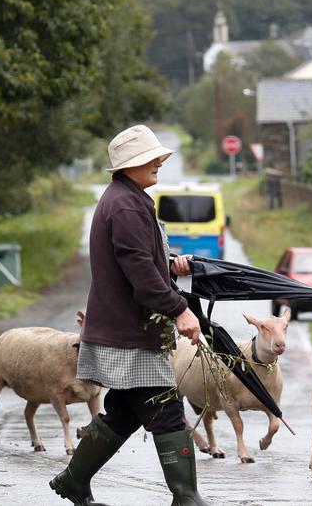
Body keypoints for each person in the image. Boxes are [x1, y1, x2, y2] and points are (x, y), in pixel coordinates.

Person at [50, 125, 209, 506]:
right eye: (149, 159)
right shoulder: (125, 205)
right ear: (129, 166)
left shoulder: (129, 199)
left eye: (157, 157)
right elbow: (139, 276)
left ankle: (73, 481)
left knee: (123, 413)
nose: (158, 162)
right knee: (168, 413)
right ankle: (187, 498)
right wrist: (180, 309)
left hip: (126, 332)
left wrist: (169, 265)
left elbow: (140, 262)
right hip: (129, 336)